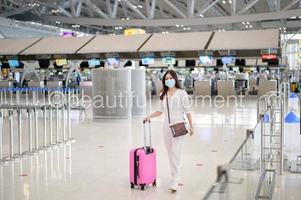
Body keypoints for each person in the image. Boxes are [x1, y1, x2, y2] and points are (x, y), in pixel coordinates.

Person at [144, 70, 194, 192]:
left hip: (178, 125)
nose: (168, 80)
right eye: (166, 79)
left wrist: (192, 126)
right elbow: (161, 111)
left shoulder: (182, 93)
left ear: (175, 79)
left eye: (170, 78)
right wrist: (149, 116)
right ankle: (174, 175)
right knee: (170, 153)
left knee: (176, 152)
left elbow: (187, 110)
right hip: (166, 125)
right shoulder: (163, 93)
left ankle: (175, 179)